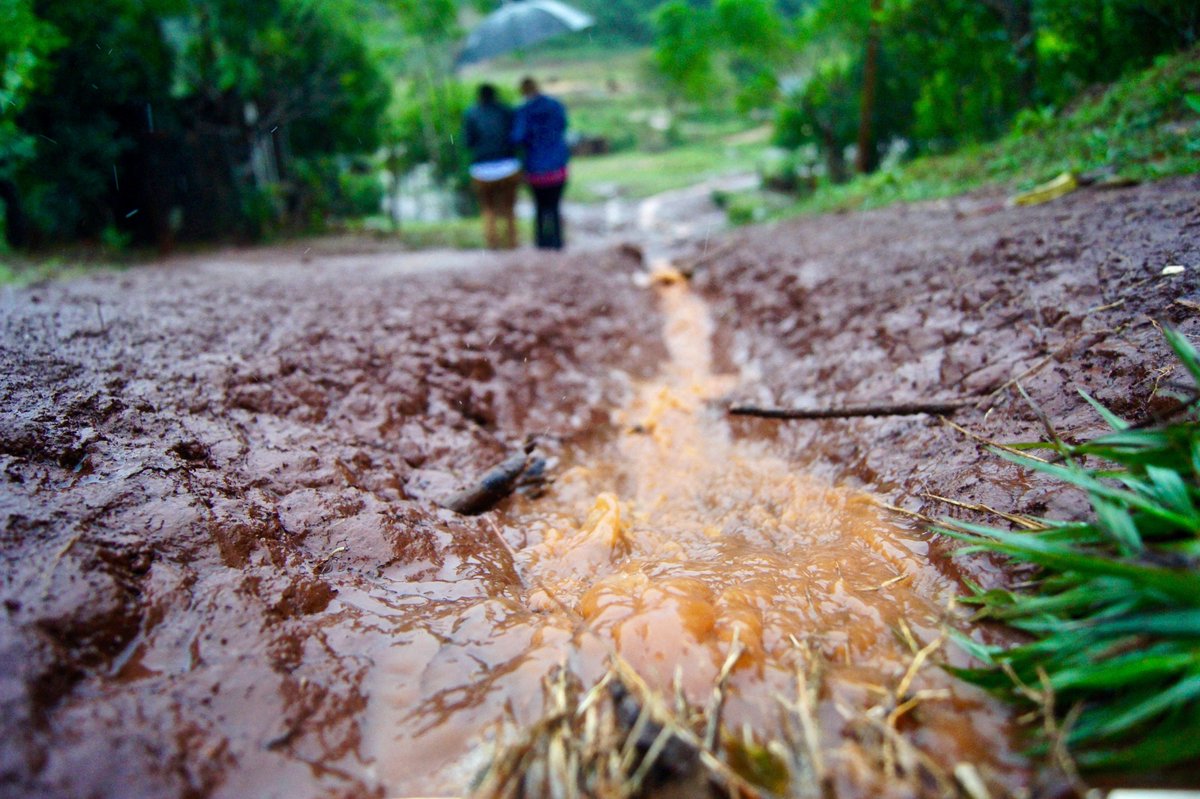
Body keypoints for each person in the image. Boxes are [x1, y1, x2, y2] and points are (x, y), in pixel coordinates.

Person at [512, 77, 569, 250]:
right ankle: (557, 241)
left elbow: (517, 137)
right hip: (557, 165)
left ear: (522, 91)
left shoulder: (523, 110)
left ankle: (542, 242)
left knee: (539, 206)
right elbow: (563, 125)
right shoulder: (554, 105)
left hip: (536, 167)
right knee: (554, 205)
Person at [463, 83, 521, 250]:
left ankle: (492, 243)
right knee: (509, 208)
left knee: (487, 208)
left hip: (482, 169)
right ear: (496, 95)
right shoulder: (507, 111)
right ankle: (511, 242)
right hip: (508, 165)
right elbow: (515, 137)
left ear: (479, 96)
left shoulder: (471, 113)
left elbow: (467, 142)